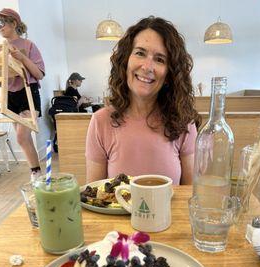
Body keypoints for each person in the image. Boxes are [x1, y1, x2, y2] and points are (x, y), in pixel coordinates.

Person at [86, 16, 201, 185]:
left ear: (169, 74)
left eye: (160, 59)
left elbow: (189, 197)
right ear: (125, 61)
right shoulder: (101, 121)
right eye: (140, 53)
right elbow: (94, 197)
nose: (147, 67)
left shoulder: (184, 123)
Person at [0, 8, 45, 181]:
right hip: (9, 95)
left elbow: (39, 74)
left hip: (28, 94)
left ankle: (35, 173)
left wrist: (22, 58)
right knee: (24, 138)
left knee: (21, 136)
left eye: (2, 23)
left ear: (14, 23)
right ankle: (37, 171)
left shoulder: (28, 45)